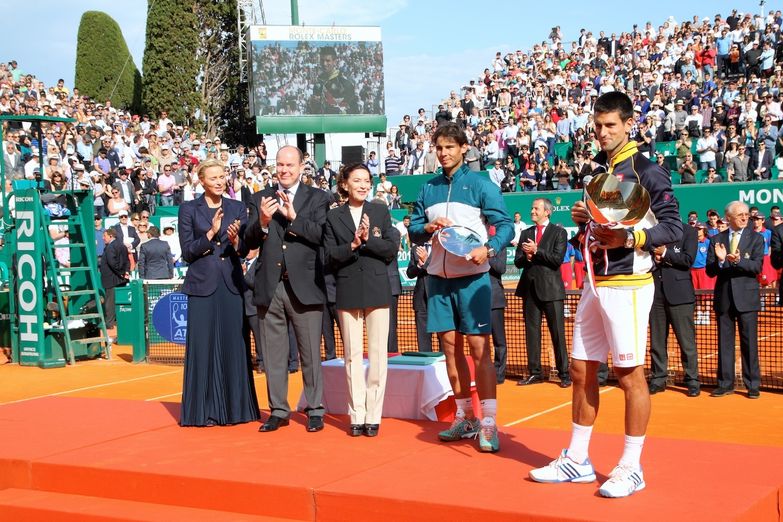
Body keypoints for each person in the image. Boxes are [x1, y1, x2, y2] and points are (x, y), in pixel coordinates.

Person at [530, 92, 682, 498]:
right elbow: (594, 233)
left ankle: (632, 466)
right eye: (598, 126)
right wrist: (584, 223)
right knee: (581, 370)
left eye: (610, 125)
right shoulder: (596, 173)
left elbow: (674, 228)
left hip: (630, 286)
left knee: (629, 374)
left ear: (628, 124)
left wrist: (631, 235)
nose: (602, 133)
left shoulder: (649, 171)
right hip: (594, 285)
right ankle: (578, 460)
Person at [408, 123, 514, 453]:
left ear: (464, 149)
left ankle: (488, 422)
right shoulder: (427, 188)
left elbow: (507, 225)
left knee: (480, 351)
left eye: (450, 147)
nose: (444, 153)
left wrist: (489, 248)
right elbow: (412, 228)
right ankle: (465, 417)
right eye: (439, 147)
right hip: (438, 281)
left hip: (473, 279)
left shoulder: (481, 185)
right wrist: (426, 225)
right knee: (450, 350)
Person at [245, 145, 331, 433]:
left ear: (301, 166)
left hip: (305, 287)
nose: (283, 170)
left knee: (310, 355)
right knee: (273, 354)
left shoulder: (318, 198)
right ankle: (279, 410)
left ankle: (315, 408)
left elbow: (322, 236)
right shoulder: (260, 198)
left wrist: (295, 218)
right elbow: (247, 243)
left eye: (289, 165)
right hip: (270, 287)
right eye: (280, 165)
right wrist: (262, 222)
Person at [177, 159, 259, 427]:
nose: (219, 181)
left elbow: (245, 250)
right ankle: (203, 411)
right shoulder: (189, 209)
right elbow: (188, 252)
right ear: (201, 181)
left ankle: (238, 409)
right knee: (203, 347)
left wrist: (237, 241)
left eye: (222, 176)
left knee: (235, 345)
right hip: (202, 285)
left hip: (232, 284)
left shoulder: (238, 207)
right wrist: (211, 232)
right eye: (213, 177)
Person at [324, 163, 398, 437]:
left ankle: (373, 416)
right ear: (345, 184)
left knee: (379, 355)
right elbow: (328, 256)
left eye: (367, 180)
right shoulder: (333, 217)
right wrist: (353, 246)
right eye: (357, 180)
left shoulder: (380, 210)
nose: (363, 185)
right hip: (348, 290)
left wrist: (367, 241)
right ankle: (356, 415)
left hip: (378, 289)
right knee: (352, 357)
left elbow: (390, 249)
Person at [706, 201, 764, 399]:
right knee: (725, 343)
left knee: (750, 343)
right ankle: (725, 383)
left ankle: (753, 384)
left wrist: (739, 261)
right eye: (740, 215)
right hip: (724, 298)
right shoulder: (717, 239)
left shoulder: (756, 238)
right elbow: (710, 270)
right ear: (728, 217)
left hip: (747, 298)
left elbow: (757, 267)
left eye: (746, 214)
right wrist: (721, 260)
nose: (744, 218)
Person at [514, 198, 570, 387]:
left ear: (547, 212)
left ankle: (564, 373)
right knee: (532, 333)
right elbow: (518, 261)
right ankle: (535, 372)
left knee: (558, 333)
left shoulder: (559, 232)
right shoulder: (526, 233)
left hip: (552, 290)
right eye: (532, 208)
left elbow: (556, 260)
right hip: (530, 290)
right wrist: (527, 257)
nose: (532, 211)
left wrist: (537, 251)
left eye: (536, 208)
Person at [648, 222, 701, 397]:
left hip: (680, 294)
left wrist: (664, 253)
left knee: (686, 342)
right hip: (655, 294)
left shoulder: (689, 232)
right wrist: (654, 259)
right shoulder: (652, 231)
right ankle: (658, 378)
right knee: (657, 341)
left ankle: (692, 380)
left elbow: (688, 260)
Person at [309, 46, 358, 115]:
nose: (324, 64)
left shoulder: (345, 84)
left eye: (328, 61)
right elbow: (315, 113)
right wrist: (313, 106)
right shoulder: (318, 85)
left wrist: (327, 105)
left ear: (335, 61)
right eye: (322, 60)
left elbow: (354, 112)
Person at [99, 228, 129, 331]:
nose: (103, 238)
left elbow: (113, 263)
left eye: (105, 236)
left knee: (110, 303)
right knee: (119, 301)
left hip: (113, 279)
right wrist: (126, 273)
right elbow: (127, 261)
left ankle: (110, 323)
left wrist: (121, 273)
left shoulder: (110, 247)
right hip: (120, 279)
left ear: (111, 236)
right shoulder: (122, 245)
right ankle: (118, 322)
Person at [406, 241, 433, 352]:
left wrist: (427, 261)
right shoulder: (416, 248)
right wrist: (419, 265)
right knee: (423, 340)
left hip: (439, 297)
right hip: (421, 299)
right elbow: (410, 273)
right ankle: (426, 366)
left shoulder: (443, 246)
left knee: (444, 340)